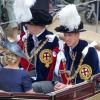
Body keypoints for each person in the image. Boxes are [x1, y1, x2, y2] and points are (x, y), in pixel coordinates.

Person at [13, 0, 59, 93]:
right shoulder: (31, 37)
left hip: (47, 79)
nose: (26, 25)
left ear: (36, 26)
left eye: (28, 23)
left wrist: (26, 79)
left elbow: (44, 74)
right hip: (36, 72)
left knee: (22, 84)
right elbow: (26, 59)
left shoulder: (49, 41)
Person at [53, 4, 100, 90]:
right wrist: (59, 84)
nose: (66, 39)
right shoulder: (66, 48)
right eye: (65, 35)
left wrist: (67, 87)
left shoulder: (88, 51)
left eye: (69, 35)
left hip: (89, 91)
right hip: (70, 88)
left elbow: (87, 82)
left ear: (77, 34)